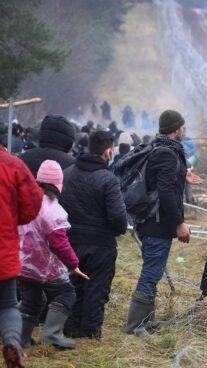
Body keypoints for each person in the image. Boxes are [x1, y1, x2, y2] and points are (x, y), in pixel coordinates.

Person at [124, 110, 191, 337]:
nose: (183, 130)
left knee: (154, 270)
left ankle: (146, 319)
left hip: (152, 221)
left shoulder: (159, 148)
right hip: (157, 223)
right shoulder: (166, 153)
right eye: (182, 126)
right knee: (151, 272)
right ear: (176, 129)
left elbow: (163, 181)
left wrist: (183, 175)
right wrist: (179, 223)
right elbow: (165, 191)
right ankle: (135, 325)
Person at [60, 131, 128, 338]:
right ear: (108, 151)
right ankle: (89, 332)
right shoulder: (108, 180)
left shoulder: (67, 173)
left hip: (71, 241)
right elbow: (118, 217)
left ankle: (70, 328)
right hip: (101, 244)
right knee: (96, 288)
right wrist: (118, 231)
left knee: (74, 286)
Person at [18, 161, 89, 350]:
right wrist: (73, 264)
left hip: (22, 265)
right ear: (59, 185)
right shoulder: (53, 211)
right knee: (66, 293)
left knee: (32, 301)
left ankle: (22, 339)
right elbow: (60, 244)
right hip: (44, 268)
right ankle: (51, 334)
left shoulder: (23, 200)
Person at [0, 142, 42, 368]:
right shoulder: (13, 164)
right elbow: (31, 206)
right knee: (7, 305)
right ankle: (12, 343)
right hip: (2, 248)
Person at [182, 133, 199, 204]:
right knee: (187, 182)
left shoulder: (180, 143)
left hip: (183, 163)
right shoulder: (191, 143)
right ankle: (190, 200)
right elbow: (196, 155)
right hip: (191, 163)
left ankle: (186, 201)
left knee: (183, 182)